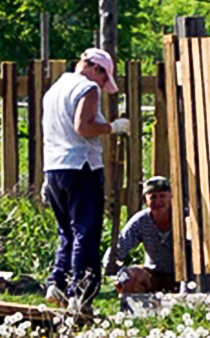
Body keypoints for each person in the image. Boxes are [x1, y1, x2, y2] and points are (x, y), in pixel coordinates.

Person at [41, 47, 127, 310]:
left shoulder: (55, 89)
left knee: (66, 231)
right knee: (86, 232)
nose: (102, 85)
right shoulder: (87, 88)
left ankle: (57, 282)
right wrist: (112, 127)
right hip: (81, 166)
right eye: (104, 78)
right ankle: (81, 294)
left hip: (54, 168)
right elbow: (83, 126)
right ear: (95, 69)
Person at [106, 175, 177, 294]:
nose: (158, 201)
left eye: (162, 196)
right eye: (153, 197)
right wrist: (115, 271)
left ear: (171, 198)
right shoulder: (142, 220)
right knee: (131, 277)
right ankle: (132, 309)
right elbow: (119, 247)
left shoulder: (184, 218)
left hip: (186, 276)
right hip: (155, 274)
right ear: (145, 201)